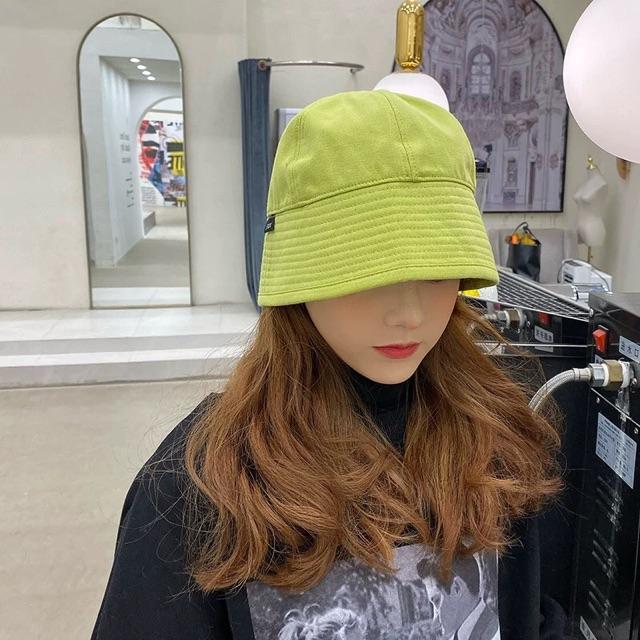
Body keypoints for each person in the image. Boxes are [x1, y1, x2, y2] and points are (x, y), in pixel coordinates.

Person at [91, 90, 571, 639]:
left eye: (437, 270)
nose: (409, 314)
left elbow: (527, 613)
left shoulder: (498, 438)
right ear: (298, 273)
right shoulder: (206, 480)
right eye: (367, 272)